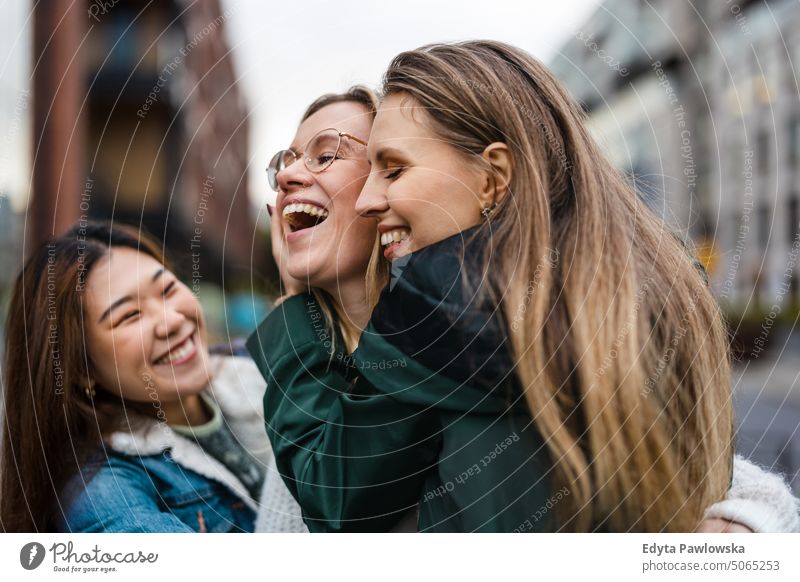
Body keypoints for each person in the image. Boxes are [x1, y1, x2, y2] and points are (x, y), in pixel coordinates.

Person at [248, 41, 800, 532]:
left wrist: (294, 311)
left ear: (493, 176)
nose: (371, 196)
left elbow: (334, 496)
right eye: (288, 161)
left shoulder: (440, 303)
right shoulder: (638, 283)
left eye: (390, 168)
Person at [0, 222, 270, 532]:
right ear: (82, 371)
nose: (171, 320)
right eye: (129, 315)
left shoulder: (260, 373)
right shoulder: (105, 497)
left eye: (168, 289)